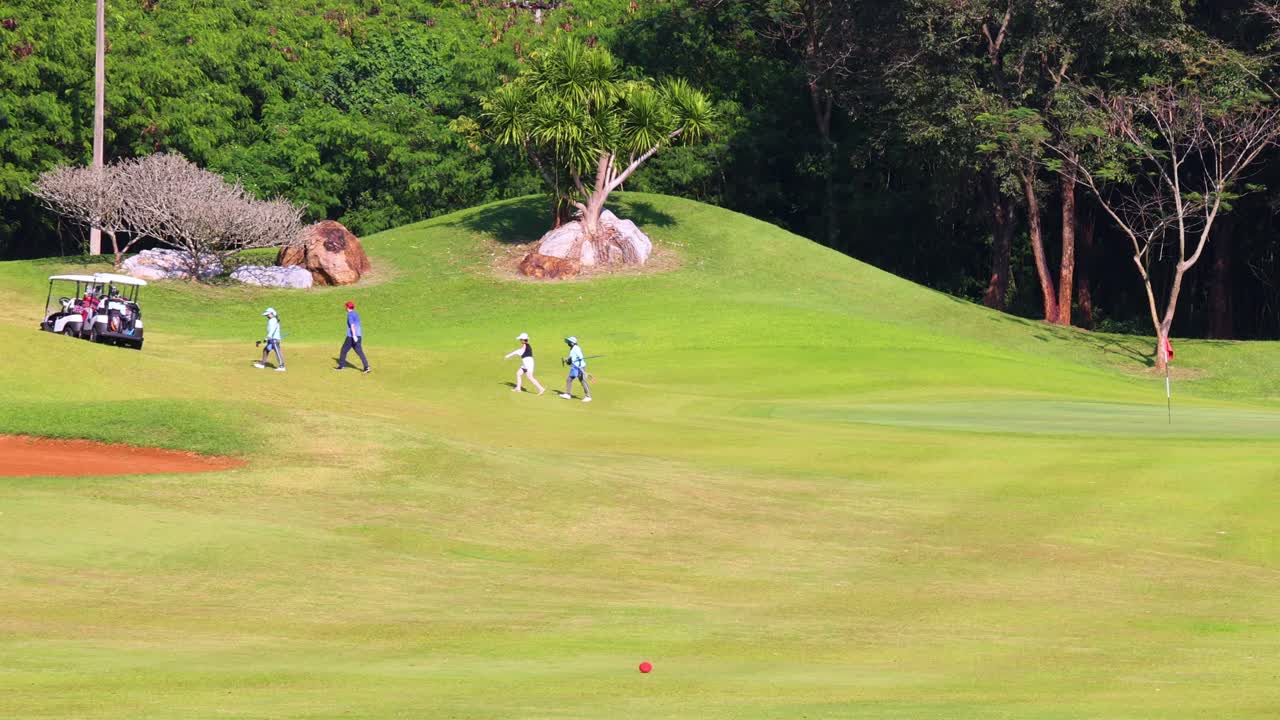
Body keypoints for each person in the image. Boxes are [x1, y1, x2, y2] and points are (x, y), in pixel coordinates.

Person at [335, 300, 371, 374]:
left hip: (351, 337)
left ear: (347, 307)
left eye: (346, 306)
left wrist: (354, 336)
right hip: (359, 336)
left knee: (343, 350)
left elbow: (352, 326)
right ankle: (366, 367)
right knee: (360, 352)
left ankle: (341, 366)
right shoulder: (356, 314)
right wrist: (357, 336)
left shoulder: (350, 314)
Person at [559, 336, 591, 402]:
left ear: (573, 343)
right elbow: (572, 359)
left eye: (569, 342)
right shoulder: (572, 348)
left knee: (582, 381)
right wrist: (567, 360)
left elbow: (580, 357)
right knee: (569, 379)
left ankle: (588, 396)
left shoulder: (576, 348)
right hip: (574, 367)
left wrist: (580, 368)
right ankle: (568, 394)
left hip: (579, 367)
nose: (568, 343)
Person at [254, 307, 286, 372]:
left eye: (267, 314)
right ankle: (262, 364)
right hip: (272, 339)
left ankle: (282, 366)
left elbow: (272, 330)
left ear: (272, 313)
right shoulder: (274, 320)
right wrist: (267, 338)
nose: (266, 315)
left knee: (278, 352)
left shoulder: (273, 320)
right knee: (265, 350)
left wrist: (268, 337)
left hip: (274, 340)